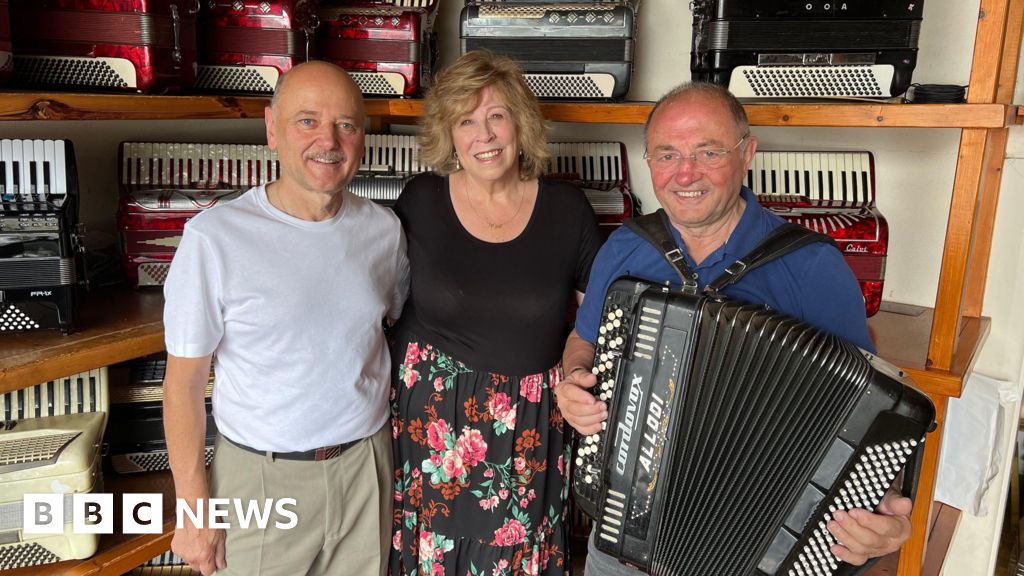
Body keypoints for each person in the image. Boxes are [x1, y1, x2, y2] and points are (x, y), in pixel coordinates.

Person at [554, 82, 913, 575]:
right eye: (667, 155)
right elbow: (584, 341)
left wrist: (882, 516)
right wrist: (573, 380)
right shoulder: (624, 248)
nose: (685, 173)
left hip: (749, 548)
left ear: (747, 153)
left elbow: (865, 411)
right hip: (623, 538)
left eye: (708, 152)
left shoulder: (812, 268)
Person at [162, 61, 409, 576]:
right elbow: (182, 385)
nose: (330, 140)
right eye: (307, 121)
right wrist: (193, 509)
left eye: (347, 124)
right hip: (261, 481)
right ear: (271, 127)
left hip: (366, 470)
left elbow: (385, 329)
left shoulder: (384, 231)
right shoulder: (214, 237)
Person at [388, 50, 602, 576]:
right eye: (466, 120)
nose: (483, 135)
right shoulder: (420, 200)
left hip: (528, 431)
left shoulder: (567, 211)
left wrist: (577, 372)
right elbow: (376, 302)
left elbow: (594, 321)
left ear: (520, 125)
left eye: (496, 116)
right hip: (432, 430)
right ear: (450, 135)